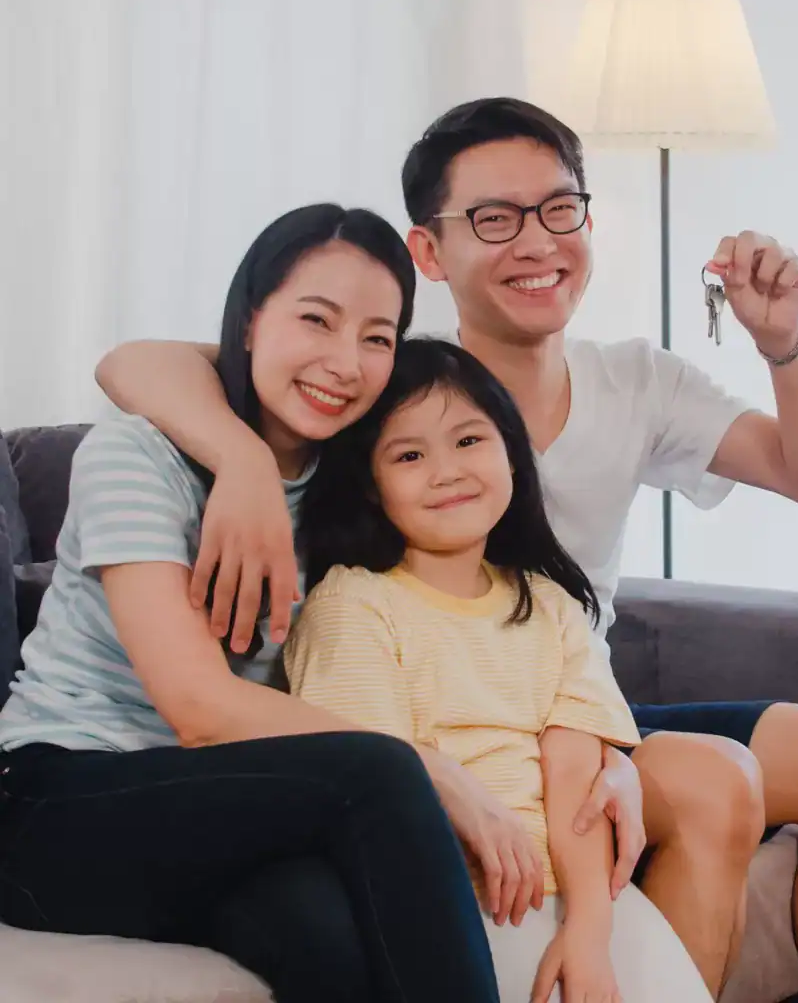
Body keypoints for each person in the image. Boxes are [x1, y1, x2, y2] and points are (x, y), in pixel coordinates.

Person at [94, 99, 798, 1003]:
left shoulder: (638, 379)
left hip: (569, 692)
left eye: (559, 210)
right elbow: (137, 364)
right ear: (429, 254)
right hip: (451, 716)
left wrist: (780, 341)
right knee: (716, 782)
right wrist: (242, 460)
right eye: (494, 219)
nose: (536, 242)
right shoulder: (384, 382)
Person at [0, 203, 502, 1003]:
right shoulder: (137, 452)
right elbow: (197, 706)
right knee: (378, 773)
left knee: (326, 937)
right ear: (248, 321)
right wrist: (431, 769)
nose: (346, 362)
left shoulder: (356, 474)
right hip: (54, 801)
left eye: (377, 336)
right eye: (317, 320)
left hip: (225, 803)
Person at [284, 335, 713, 1003]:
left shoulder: (549, 602)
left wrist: (589, 931)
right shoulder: (353, 604)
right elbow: (374, 778)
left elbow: (576, 773)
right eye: (409, 455)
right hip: (452, 908)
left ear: (513, 452)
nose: (446, 471)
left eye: (468, 441)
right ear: (370, 487)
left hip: (573, 898)